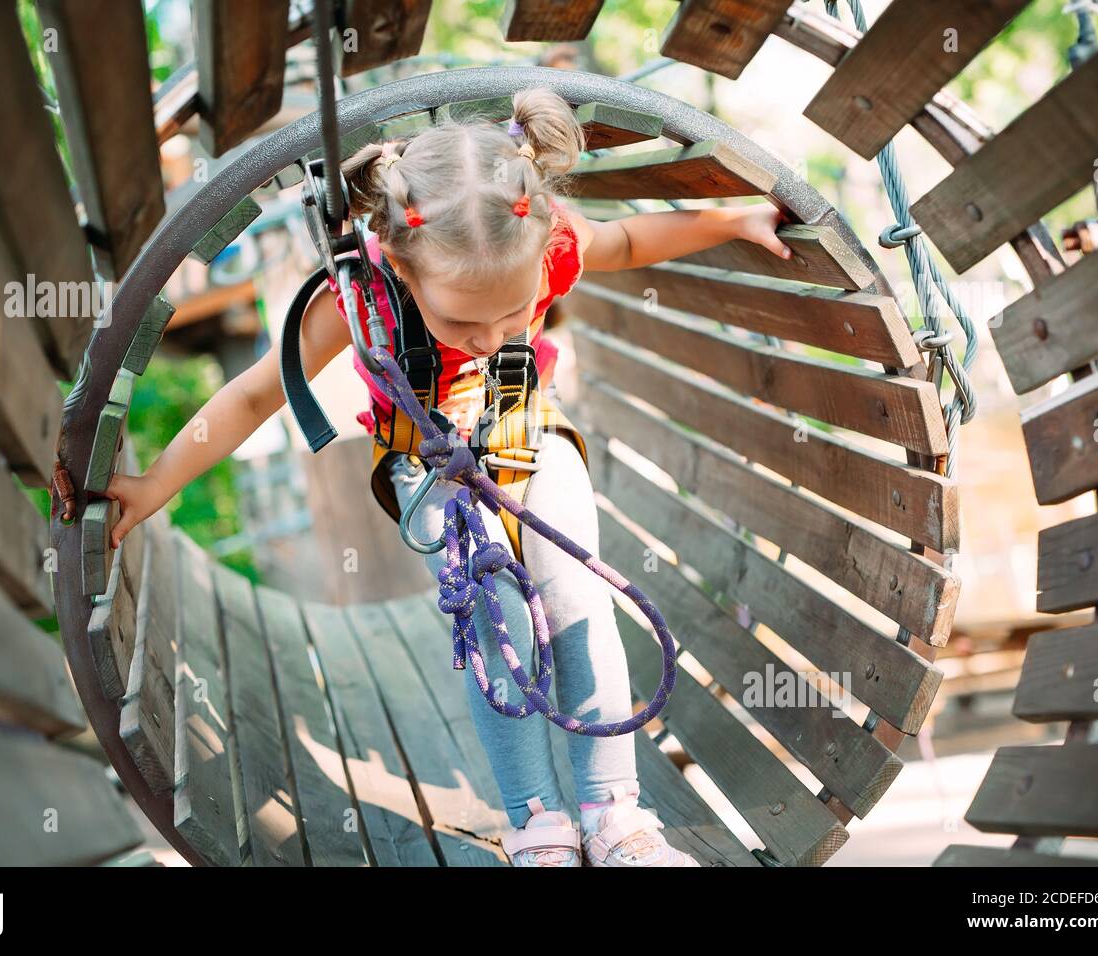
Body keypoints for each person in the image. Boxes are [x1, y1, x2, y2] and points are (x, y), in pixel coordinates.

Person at [104, 86, 792, 867]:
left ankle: (617, 816)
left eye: (511, 316)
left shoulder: (545, 237)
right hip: (428, 459)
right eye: (463, 324)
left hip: (531, 427)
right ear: (401, 262)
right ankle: (537, 825)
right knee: (496, 618)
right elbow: (257, 391)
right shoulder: (365, 294)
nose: (491, 336)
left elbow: (629, 242)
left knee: (575, 591)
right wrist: (155, 483)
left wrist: (733, 220)